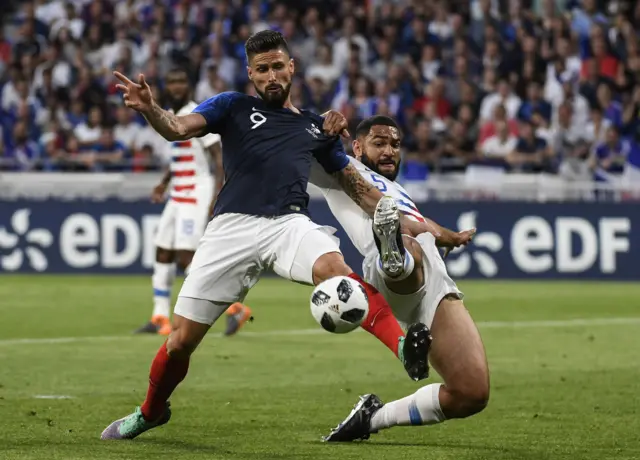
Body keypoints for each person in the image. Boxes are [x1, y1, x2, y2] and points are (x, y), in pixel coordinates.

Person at [101, 31, 436, 441]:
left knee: (337, 271)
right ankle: (151, 411)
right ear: (251, 73)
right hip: (231, 229)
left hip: (288, 224)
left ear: (292, 67)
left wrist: (427, 229)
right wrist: (151, 107)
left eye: (278, 66)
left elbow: (363, 192)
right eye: (262, 69)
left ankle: (404, 348)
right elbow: (177, 128)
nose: (272, 75)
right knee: (179, 343)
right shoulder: (233, 106)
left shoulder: (316, 127)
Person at [312, 116, 489, 442]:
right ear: (357, 146)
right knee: (402, 243)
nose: (389, 150)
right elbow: (295, 148)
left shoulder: (396, 190)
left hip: (434, 281)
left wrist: (448, 236)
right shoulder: (341, 167)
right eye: (379, 143)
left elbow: (418, 223)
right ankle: (393, 254)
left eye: (394, 144)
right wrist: (318, 127)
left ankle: (372, 417)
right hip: (386, 276)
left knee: (472, 392)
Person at [134, 68, 252, 337]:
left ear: (188, 86)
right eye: (172, 82)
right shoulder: (168, 115)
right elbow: (179, 152)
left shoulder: (197, 114)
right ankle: (160, 316)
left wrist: (217, 193)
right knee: (163, 251)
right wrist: (164, 183)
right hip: (177, 194)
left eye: (181, 82)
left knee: (186, 256)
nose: (176, 87)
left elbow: (217, 157)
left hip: (197, 192)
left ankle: (234, 308)